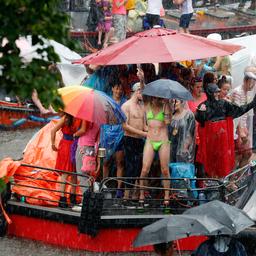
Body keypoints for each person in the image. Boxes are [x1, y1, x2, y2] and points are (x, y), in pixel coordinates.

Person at [196, 83, 256, 178]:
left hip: (222, 139)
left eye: (217, 92)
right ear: (209, 93)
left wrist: (252, 104)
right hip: (211, 141)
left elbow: (239, 110)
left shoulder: (223, 104)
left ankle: (221, 181)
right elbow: (201, 122)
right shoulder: (203, 106)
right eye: (215, 92)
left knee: (222, 161)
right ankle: (213, 181)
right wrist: (201, 113)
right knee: (211, 161)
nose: (217, 94)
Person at [139, 96, 171, 207]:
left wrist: (167, 105)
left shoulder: (165, 106)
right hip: (150, 139)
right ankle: (141, 195)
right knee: (145, 169)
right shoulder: (147, 105)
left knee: (165, 169)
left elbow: (167, 121)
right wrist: (142, 80)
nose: (155, 100)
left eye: (158, 98)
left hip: (162, 140)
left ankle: (167, 197)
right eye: (154, 98)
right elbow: (143, 93)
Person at [121, 82, 147, 204]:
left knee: (139, 168)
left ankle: (135, 196)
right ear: (137, 91)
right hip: (129, 139)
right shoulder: (126, 106)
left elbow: (144, 126)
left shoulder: (142, 107)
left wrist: (155, 129)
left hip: (139, 140)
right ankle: (126, 197)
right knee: (130, 168)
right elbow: (125, 126)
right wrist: (142, 133)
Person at [101, 79, 126, 198]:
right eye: (116, 88)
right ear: (112, 89)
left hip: (120, 134)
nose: (118, 91)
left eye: (120, 88)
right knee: (105, 162)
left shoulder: (125, 103)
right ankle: (104, 186)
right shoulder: (106, 102)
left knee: (120, 162)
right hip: (106, 134)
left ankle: (119, 190)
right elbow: (103, 118)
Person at [51, 112, 81, 208]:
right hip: (72, 145)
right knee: (73, 172)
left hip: (66, 144)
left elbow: (53, 130)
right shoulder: (78, 118)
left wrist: (53, 144)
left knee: (67, 172)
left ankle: (63, 199)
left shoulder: (65, 118)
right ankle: (71, 198)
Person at [72, 120, 100, 211]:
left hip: (83, 147)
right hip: (91, 148)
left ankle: (85, 202)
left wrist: (75, 134)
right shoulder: (99, 120)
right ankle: (90, 201)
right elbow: (97, 138)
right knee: (88, 176)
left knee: (81, 175)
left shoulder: (87, 117)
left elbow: (83, 130)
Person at [232, 67, 256, 168]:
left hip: (243, 127)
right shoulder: (238, 91)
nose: (253, 84)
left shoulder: (246, 92)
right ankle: (231, 181)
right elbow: (238, 114)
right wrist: (240, 131)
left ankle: (236, 179)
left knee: (247, 153)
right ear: (247, 80)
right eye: (252, 81)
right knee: (238, 155)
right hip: (238, 128)